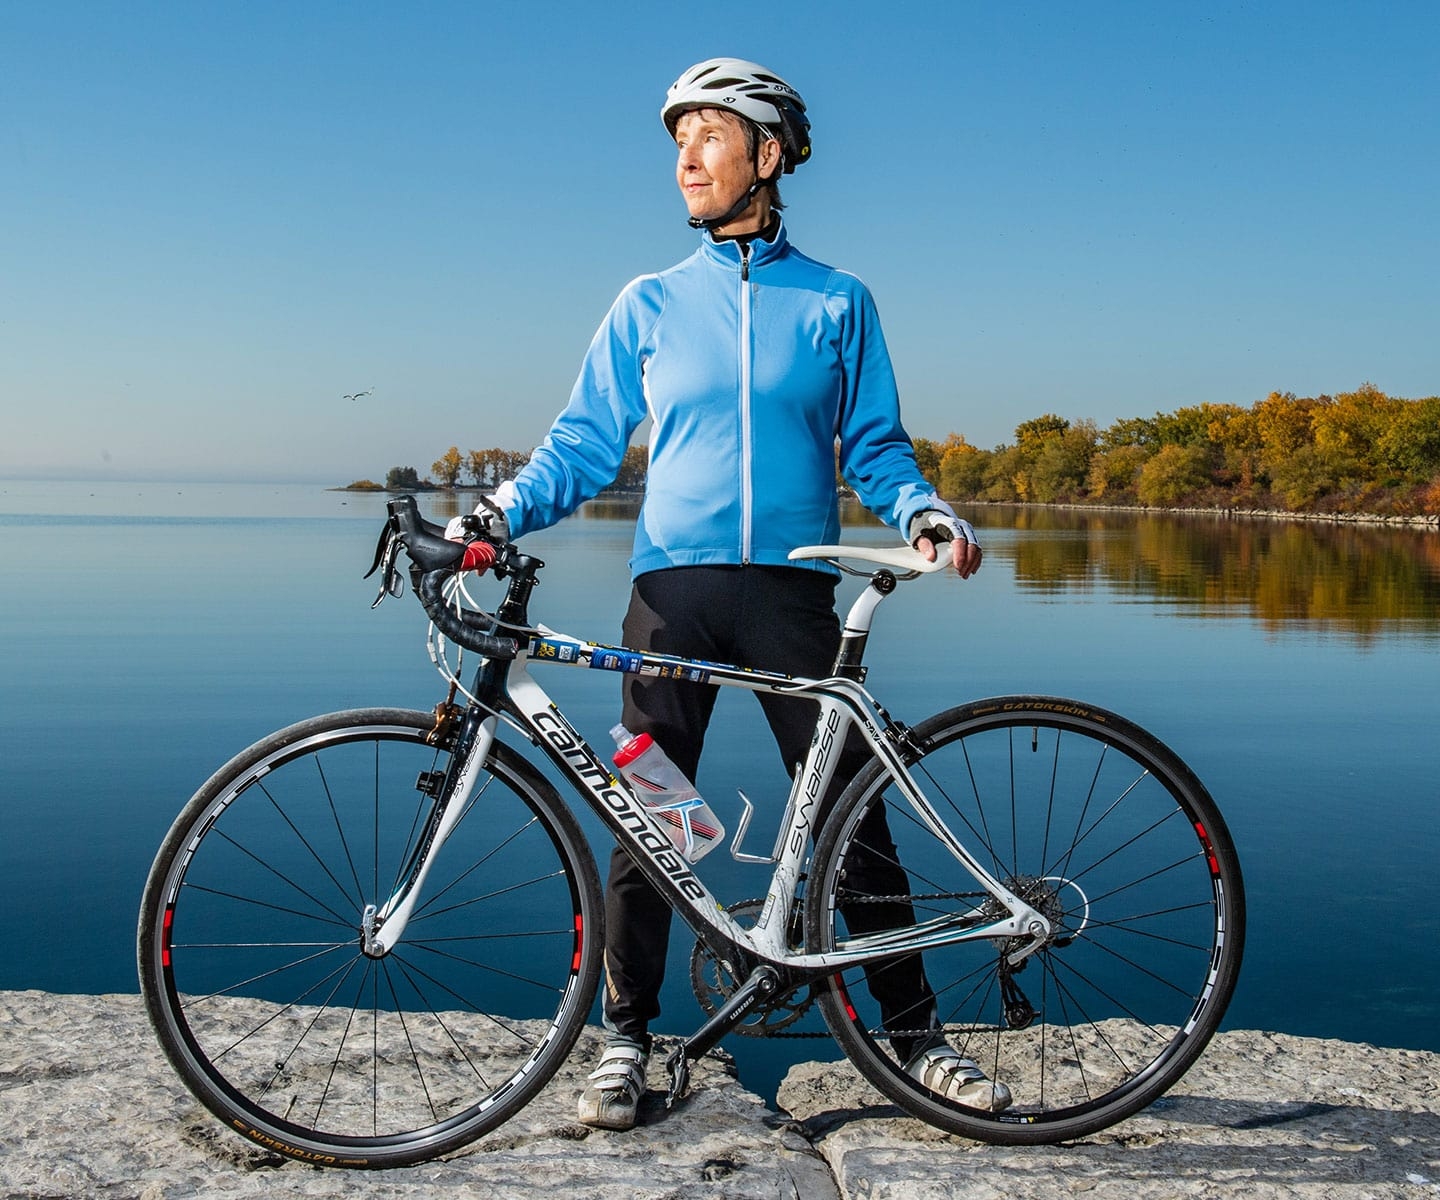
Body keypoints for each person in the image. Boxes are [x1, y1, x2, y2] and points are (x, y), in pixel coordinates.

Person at [448, 57, 1008, 1130]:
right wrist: (495, 516)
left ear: (769, 152)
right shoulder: (649, 302)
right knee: (648, 816)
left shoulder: (838, 301)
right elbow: (583, 444)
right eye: (676, 142)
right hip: (673, 587)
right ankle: (627, 1036)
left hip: (797, 589)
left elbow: (878, 447)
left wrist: (927, 515)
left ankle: (916, 1037)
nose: (685, 159)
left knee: (853, 815)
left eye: (707, 135)